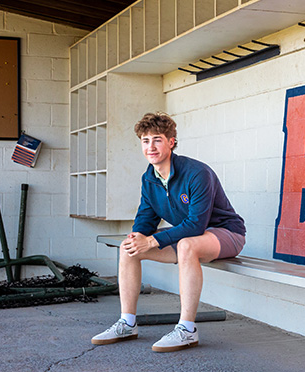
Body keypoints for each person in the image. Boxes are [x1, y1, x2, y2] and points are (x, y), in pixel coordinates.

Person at [91, 112, 246, 352]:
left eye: (157, 139)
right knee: (128, 247)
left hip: (225, 234)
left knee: (187, 245)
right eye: (145, 141)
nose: (150, 146)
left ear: (171, 142)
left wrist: (152, 240)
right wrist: (138, 237)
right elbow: (146, 216)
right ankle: (127, 323)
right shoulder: (149, 178)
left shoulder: (197, 173)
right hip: (189, 237)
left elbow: (196, 225)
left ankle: (187, 329)